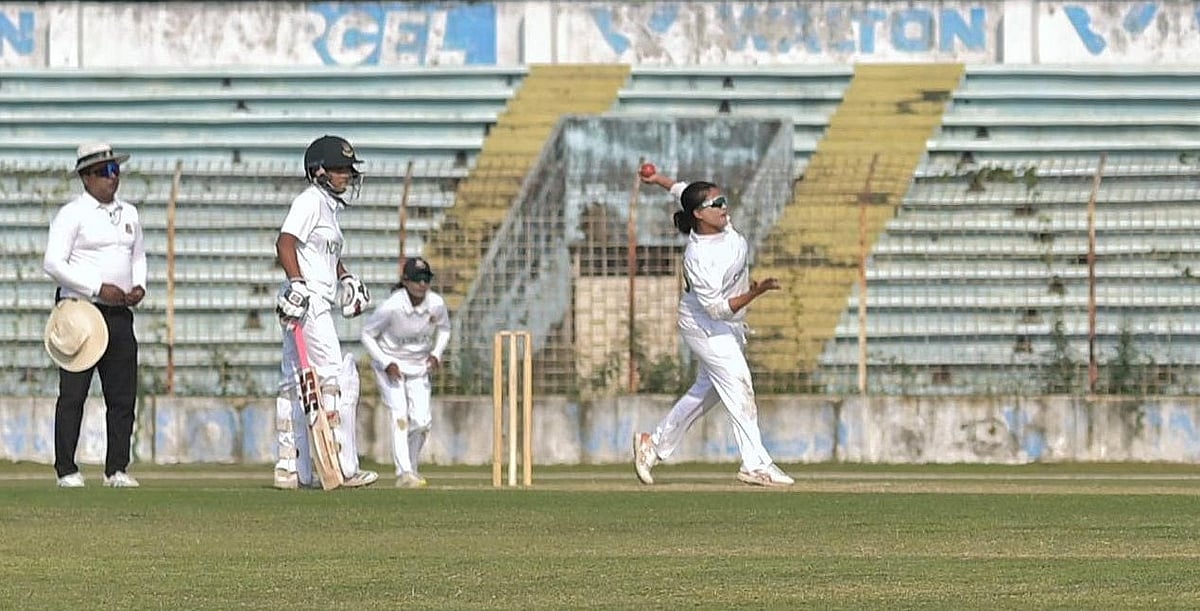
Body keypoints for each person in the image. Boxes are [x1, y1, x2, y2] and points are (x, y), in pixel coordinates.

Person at [632, 167, 795, 487]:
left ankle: (653, 444)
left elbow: (681, 190)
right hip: (704, 325)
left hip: (728, 324)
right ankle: (756, 464)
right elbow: (717, 309)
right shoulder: (699, 256)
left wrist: (657, 180)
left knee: (706, 393)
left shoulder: (717, 222)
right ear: (698, 215)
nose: (724, 208)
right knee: (739, 385)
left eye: (723, 201)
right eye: (716, 204)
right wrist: (755, 292)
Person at [273, 134, 378, 490]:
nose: (347, 175)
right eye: (339, 169)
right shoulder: (310, 201)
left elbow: (324, 254)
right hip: (310, 302)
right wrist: (298, 284)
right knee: (338, 377)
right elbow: (285, 242)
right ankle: (342, 466)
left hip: (314, 299)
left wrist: (345, 276)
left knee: (292, 384)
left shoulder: (328, 209)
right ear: (318, 171)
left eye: (349, 169)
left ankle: (291, 469)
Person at [43, 142, 146, 488]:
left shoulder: (129, 213)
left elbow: (138, 257)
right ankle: (66, 470)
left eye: (115, 170)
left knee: (122, 396)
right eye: (103, 172)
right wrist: (96, 287)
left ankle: (117, 468)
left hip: (118, 314)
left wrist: (139, 286)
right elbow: (53, 263)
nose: (112, 178)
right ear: (86, 177)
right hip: (81, 313)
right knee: (74, 394)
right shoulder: (72, 214)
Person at [360, 257, 451, 488]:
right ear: (406, 281)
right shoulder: (392, 307)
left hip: (420, 367)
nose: (422, 285)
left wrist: (436, 354)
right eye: (418, 280)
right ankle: (404, 472)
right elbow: (367, 335)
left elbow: (444, 329)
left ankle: (411, 468)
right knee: (400, 416)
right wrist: (385, 361)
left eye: (426, 279)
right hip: (391, 368)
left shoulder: (436, 304)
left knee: (422, 422)